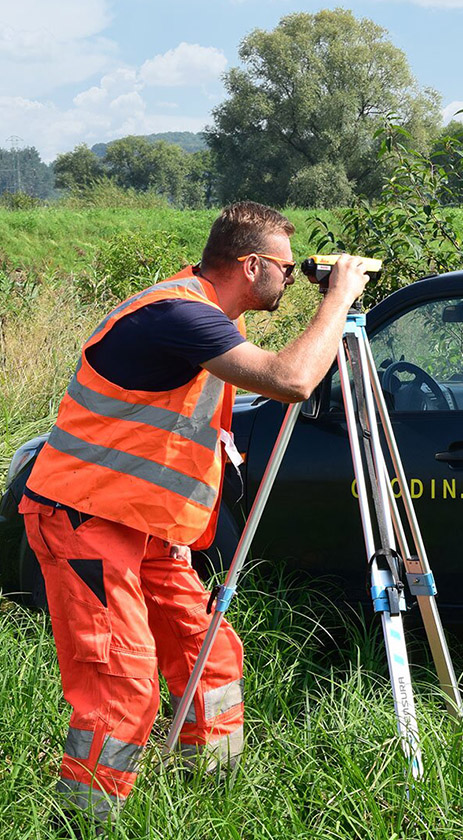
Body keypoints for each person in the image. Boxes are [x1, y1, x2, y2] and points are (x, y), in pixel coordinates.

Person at [19, 201, 369, 825]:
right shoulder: (180, 314)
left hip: (139, 524)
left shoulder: (202, 318)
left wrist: (172, 535)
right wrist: (336, 300)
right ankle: (85, 821)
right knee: (122, 683)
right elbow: (291, 380)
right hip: (81, 517)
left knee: (209, 652)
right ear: (251, 265)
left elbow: (167, 443)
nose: (293, 279)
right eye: (286, 269)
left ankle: (208, 796)